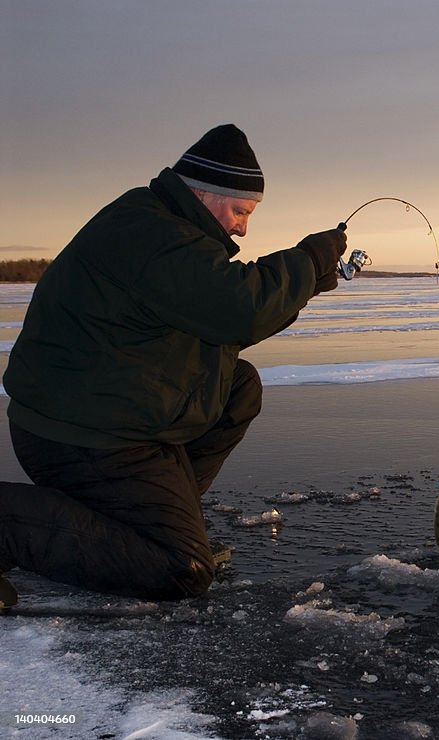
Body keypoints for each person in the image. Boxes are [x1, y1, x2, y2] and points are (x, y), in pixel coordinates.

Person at [0, 124, 346, 611]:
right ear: (205, 192)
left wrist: (304, 276)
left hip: (107, 413)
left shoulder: (161, 226)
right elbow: (235, 308)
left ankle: (153, 521)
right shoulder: (150, 233)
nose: (243, 228)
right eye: (241, 211)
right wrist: (308, 261)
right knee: (180, 569)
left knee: (237, 386)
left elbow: (225, 315)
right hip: (80, 438)